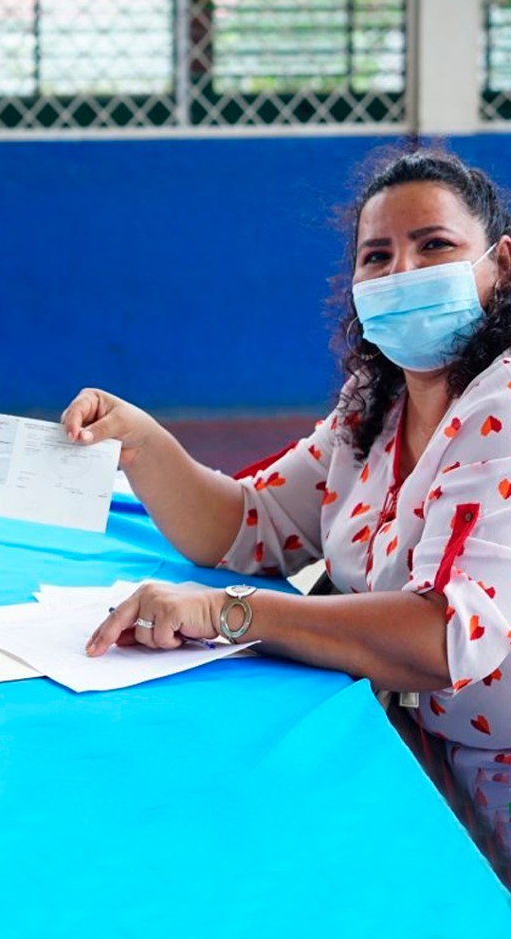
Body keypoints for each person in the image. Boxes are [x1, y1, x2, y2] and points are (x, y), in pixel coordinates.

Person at [62, 148, 511, 878]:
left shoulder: (503, 405)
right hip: (425, 764)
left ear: (502, 265)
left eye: (435, 246)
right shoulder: (376, 408)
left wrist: (228, 614)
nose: (404, 274)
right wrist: (140, 442)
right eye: (378, 256)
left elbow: (441, 636)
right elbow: (244, 524)